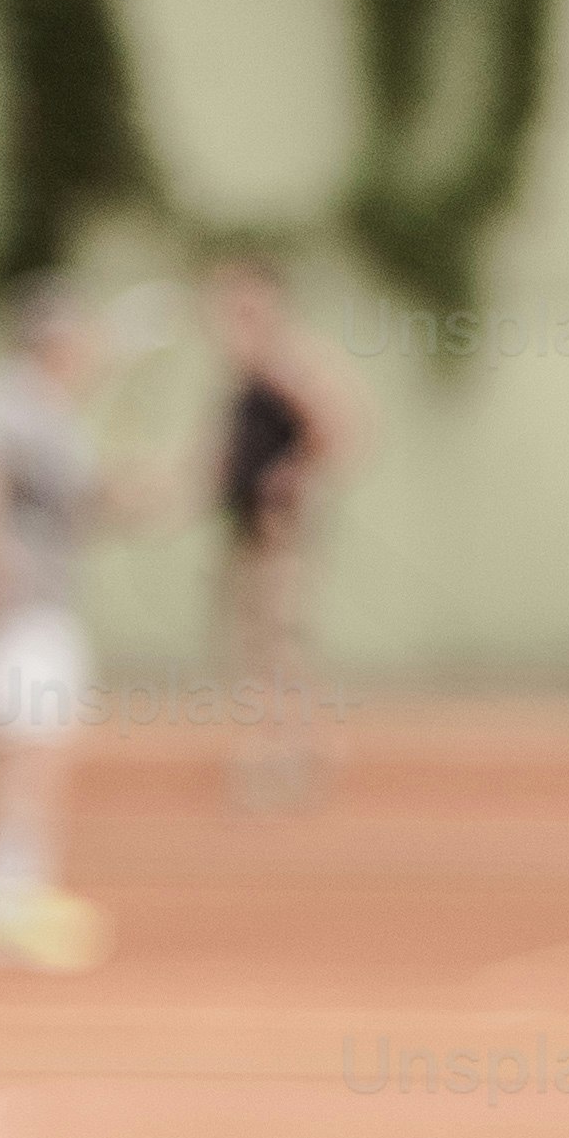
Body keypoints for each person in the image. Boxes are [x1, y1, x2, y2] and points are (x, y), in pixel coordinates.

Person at [0, 278, 145, 971]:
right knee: (35, 753)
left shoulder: (47, 411)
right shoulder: (16, 406)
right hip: (22, 613)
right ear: (52, 340)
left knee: (13, 758)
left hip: (24, 609)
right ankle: (11, 903)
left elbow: (77, 504)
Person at [199, 254, 365, 813]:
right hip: (244, 531)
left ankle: (288, 762)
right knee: (253, 648)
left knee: (279, 647)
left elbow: (339, 428)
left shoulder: (283, 364)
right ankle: (283, 755)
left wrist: (289, 481)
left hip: (279, 534)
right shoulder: (245, 374)